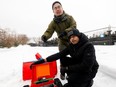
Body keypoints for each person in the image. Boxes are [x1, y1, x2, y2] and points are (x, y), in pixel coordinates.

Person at [31, 29, 99, 87]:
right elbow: (59, 54)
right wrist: (43, 60)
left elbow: (86, 66)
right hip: (79, 64)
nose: (72, 39)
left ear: (78, 36)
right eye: (70, 38)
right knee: (63, 58)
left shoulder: (88, 46)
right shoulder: (72, 46)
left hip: (90, 70)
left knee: (72, 79)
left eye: (73, 36)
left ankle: (88, 82)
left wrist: (67, 68)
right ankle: (74, 77)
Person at [41, 1, 77, 80]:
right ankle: (63, 71)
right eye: (55, 8)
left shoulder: (69, 18)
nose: (57, 9)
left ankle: (74, 70)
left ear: (62, 8)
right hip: (62, 42)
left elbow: (74, 26)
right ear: (53, 11)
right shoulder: (53, 23)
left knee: (75, 55)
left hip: (72, 40)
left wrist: (65, 32)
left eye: (59, 7)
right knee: (62, 56)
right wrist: (45, 36)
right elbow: (49, 31)